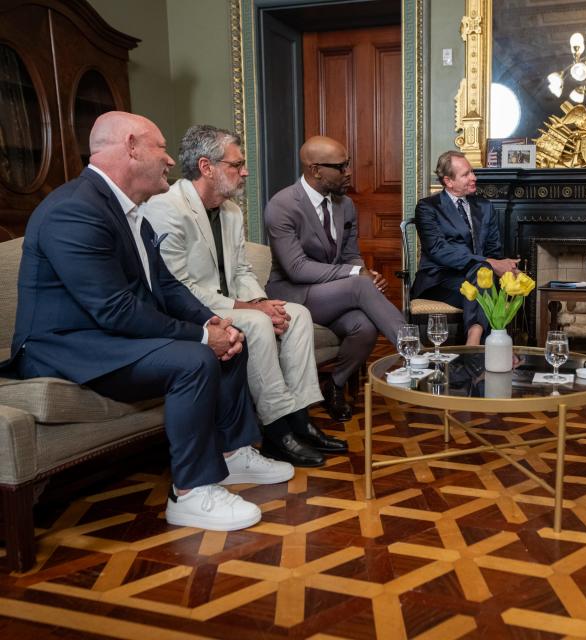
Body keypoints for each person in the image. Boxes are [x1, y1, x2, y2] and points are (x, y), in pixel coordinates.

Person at [6, 111, 294, 531]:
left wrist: (215, 322)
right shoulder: (74, 210)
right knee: (194, 360)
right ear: (131, 146)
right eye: (160, 147)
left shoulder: (130, 210)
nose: (170, 160)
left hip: (107, 335)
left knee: (233, 337)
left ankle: (234, 455)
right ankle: (192, 492)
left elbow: (168, 286)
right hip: (64, 345)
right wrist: (200, 337)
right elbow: (115, 308)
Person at [143, 125, 347, 468]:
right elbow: (179, 287)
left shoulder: (231, 211)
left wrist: (264, 304)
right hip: (194, 312)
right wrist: (254, 309)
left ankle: (300, 419)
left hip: (232, 305)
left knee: (295, 313)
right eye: (236, 165)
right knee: (255, 322)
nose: (245, 171)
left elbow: (240, 271)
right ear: (207, 167)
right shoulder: (166, 209)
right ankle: (276, 430)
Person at [264, 135, 404, 420]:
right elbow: (297, 268)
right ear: (315, 170)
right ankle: (414, 353)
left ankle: (335, 386)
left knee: (364, 326)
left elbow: (350, 255)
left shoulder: (345, 205)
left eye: (348, 164)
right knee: (360, 284)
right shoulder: (283, 205)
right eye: (341, 166)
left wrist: (363, 272)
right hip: (294, 294)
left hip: (332, 294)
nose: (349, 171)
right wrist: (357, 275)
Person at [412, 150, 517, 345]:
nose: (474, 178)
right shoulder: (428, 207)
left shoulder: (485, 207)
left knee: (496, 279)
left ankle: (474, 342)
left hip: (477, 275)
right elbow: (439, 250)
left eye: (472, 172)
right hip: (441, 279)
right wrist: (488, 263)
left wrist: (502, 266)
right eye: (466, 174)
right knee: (484, 277)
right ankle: (486, 345)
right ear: (448, 181)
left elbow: (494, 250)